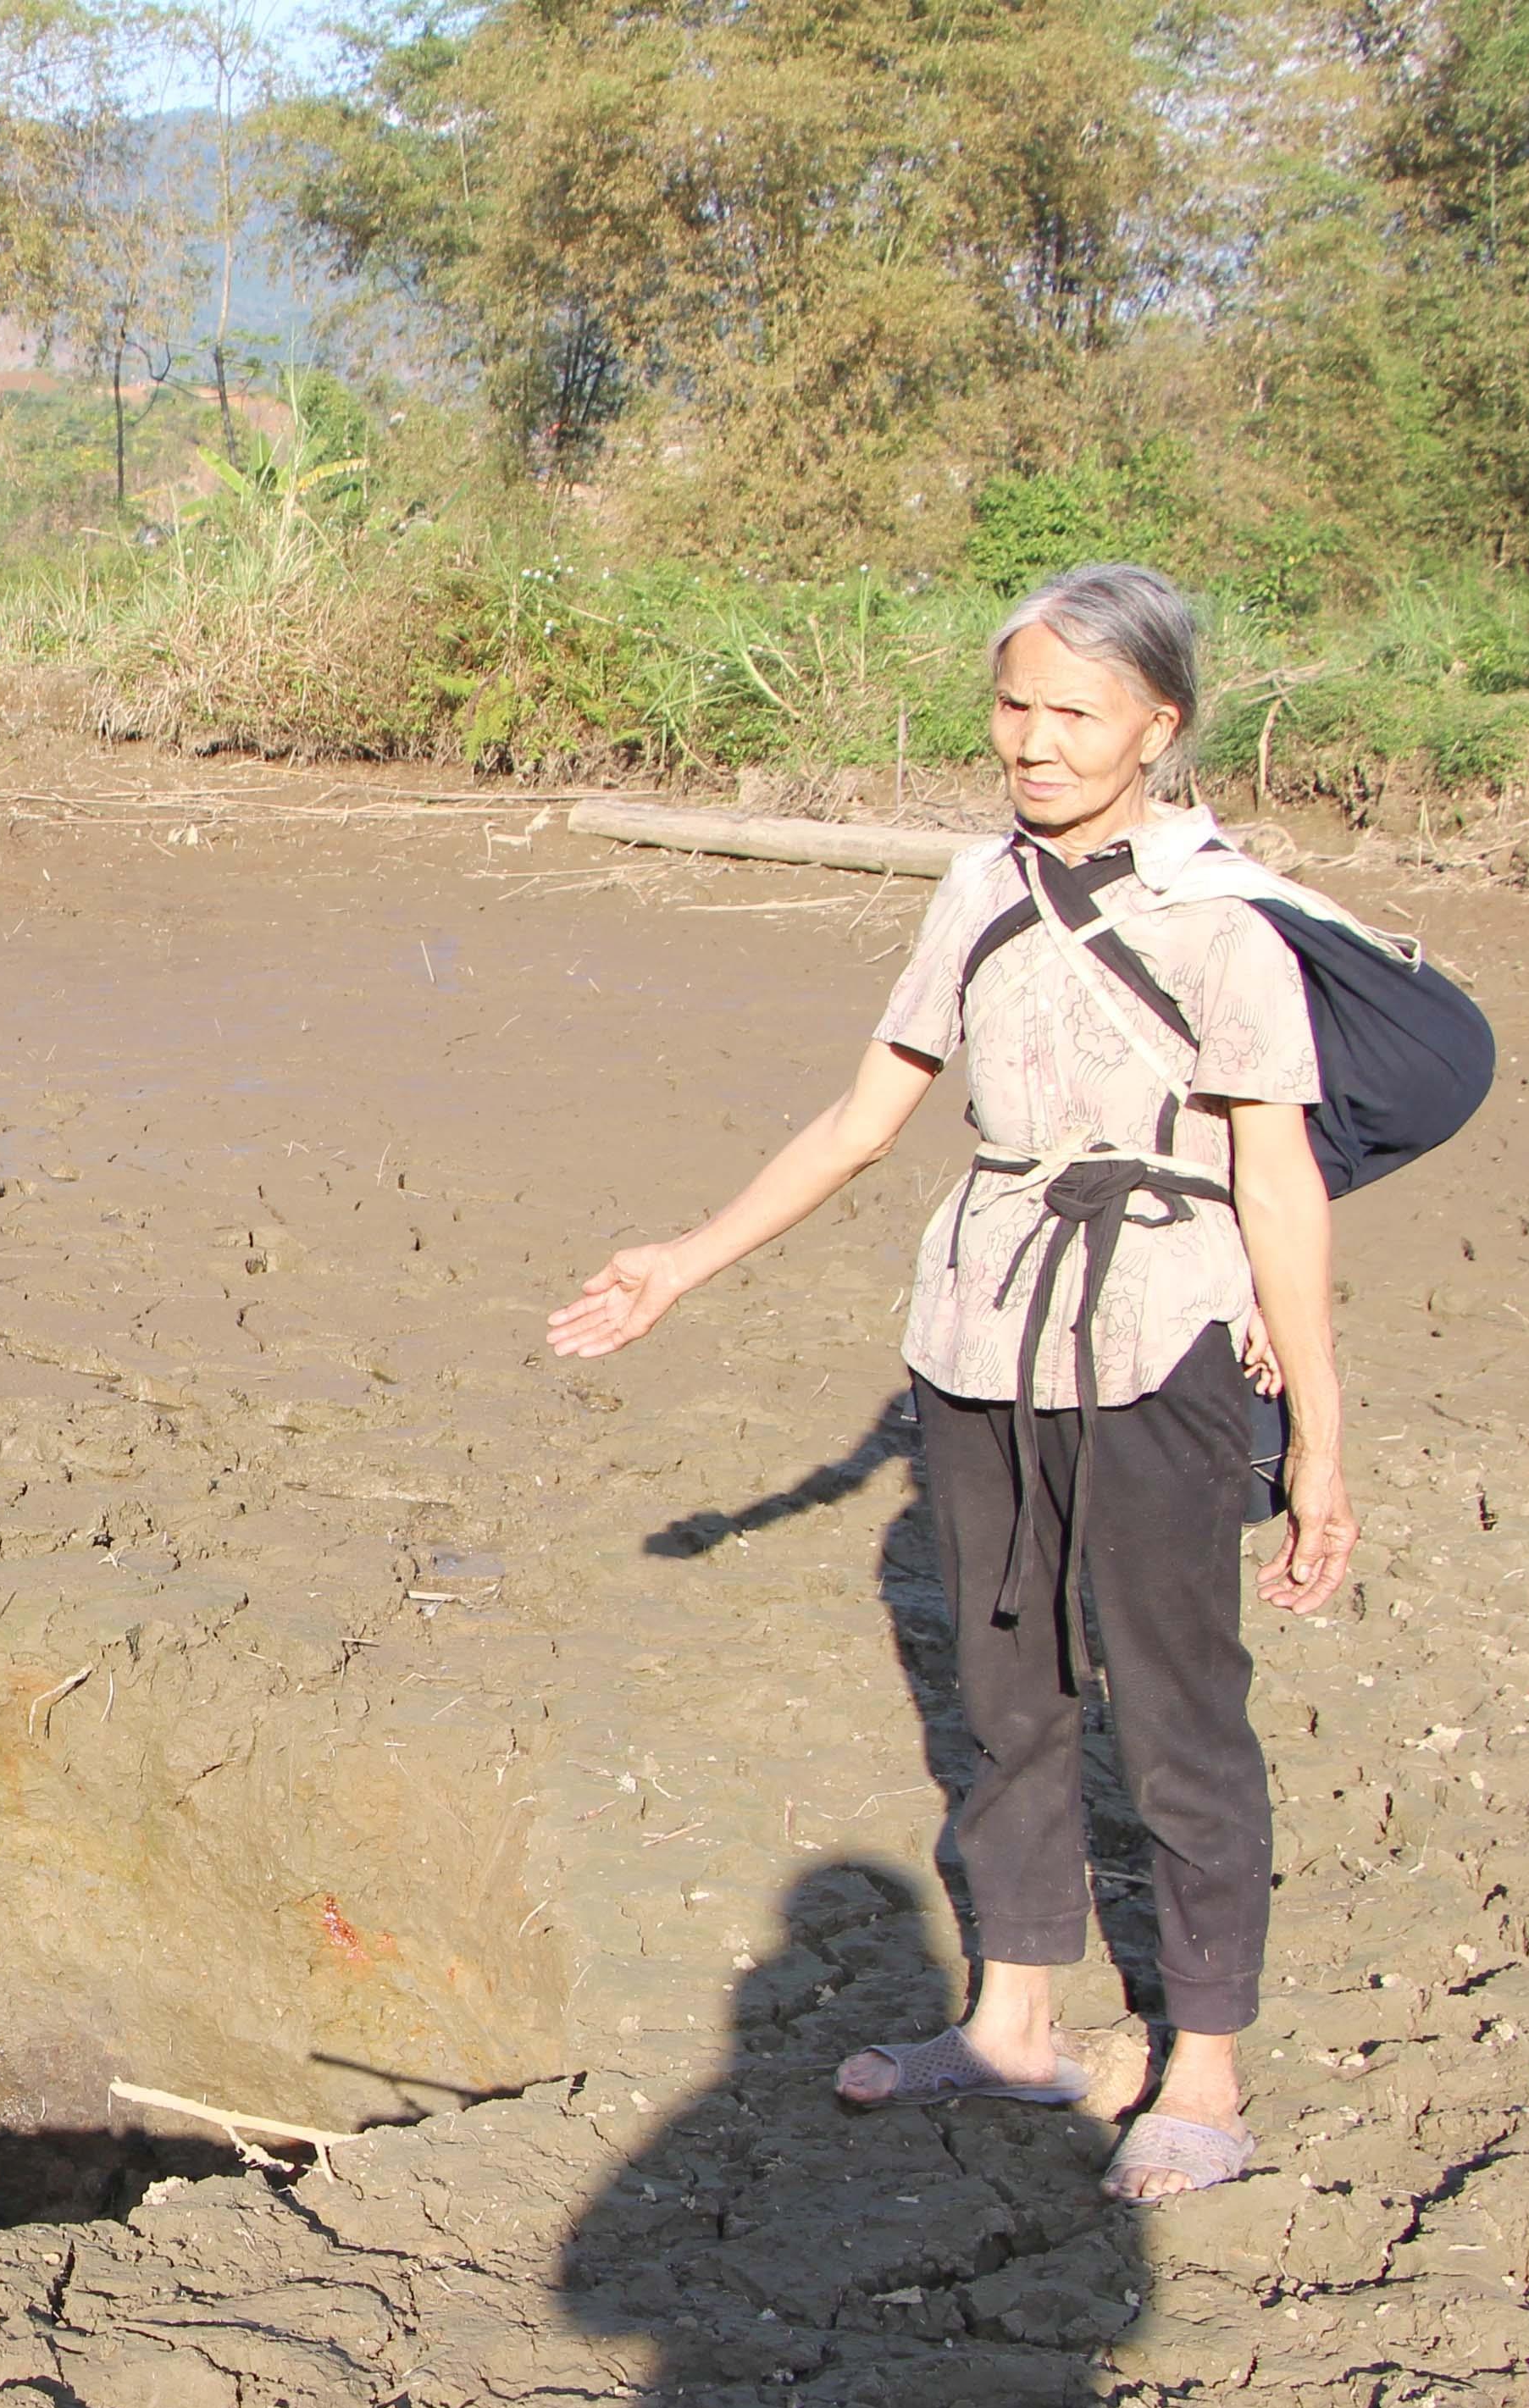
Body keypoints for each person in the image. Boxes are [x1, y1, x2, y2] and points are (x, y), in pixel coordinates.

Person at [546, 562, 1354, 2204]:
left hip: (1164, 1344)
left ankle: (1204, 2061)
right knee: (1004, 1687)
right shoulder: (972, 888)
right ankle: (1015, 2024)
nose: (1035, 742)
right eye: (1015, 707)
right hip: (979, 1330)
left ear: (1160, 727)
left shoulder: (1228, 923)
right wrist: (682, 1262)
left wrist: (1322, 1439)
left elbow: (1281, 1184)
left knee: (1182, 1711)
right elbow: (867, 1120)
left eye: (1075, 713)